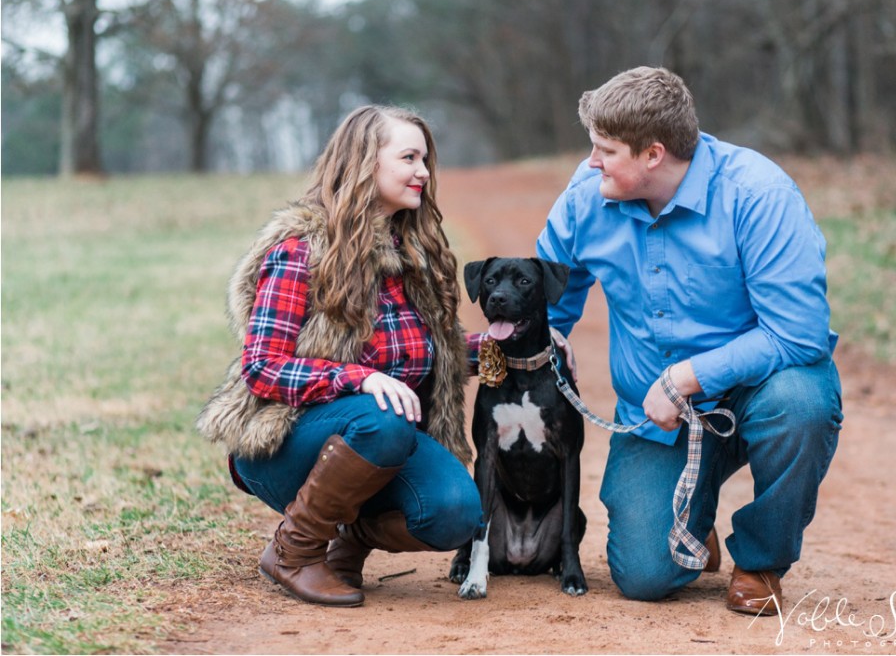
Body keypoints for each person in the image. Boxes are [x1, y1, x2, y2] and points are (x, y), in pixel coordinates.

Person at [536, 67, 843, 615]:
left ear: (653, 154)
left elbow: (799, 335)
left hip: (758, 392)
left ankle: (761, 561)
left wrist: (687, 376)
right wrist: (551, 331)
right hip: (656, 420)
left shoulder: (758, 194)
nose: (591, 162)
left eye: (605, 149)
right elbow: (550, 293)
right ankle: (692, 524)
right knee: (645, 576)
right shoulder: (587, 197)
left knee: (803, 403)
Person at [196, 105, 483, 607]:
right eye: (409, 158)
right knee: (382, 418)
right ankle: (295, 550)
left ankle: (347, 540)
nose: (424, 172)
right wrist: (357, 379)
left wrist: (514, 350)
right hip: (285, 445)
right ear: (364, 163)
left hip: (376, 443)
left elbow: (434, 354)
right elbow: (262, 369)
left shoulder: (416, 253)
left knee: (456, 513)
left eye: (426, 159)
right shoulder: (301, 249)